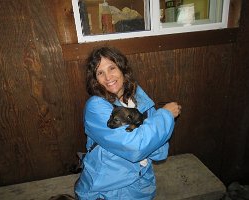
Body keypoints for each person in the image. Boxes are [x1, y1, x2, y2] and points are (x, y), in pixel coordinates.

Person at [75, 46, 181, 200]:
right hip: (106, 191)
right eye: (100, 73)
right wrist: (165, 116)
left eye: (112, 68)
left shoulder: (139, 98)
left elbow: (160, 151)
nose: (108, 77)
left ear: (122, 69)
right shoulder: (96, 107)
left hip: (142, 186)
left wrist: (150, 137)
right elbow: (135, 147)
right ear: (95, 80)